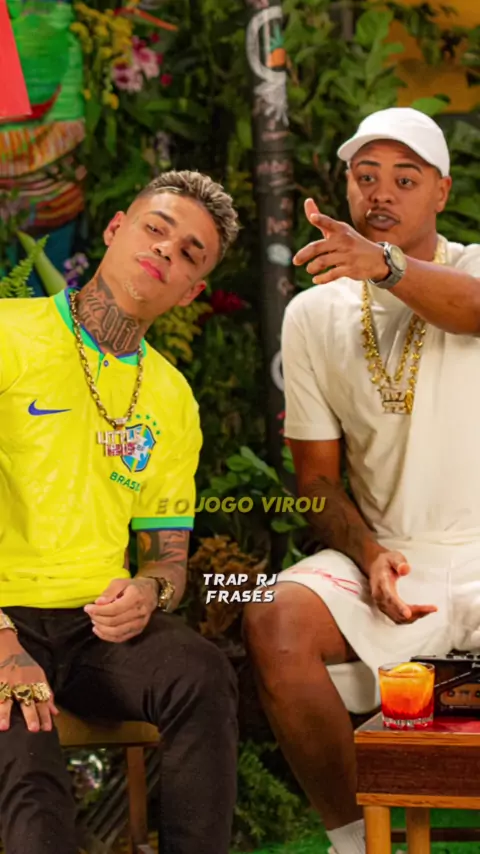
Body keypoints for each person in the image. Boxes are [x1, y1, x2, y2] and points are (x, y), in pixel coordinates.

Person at [243, 107, 480, 854]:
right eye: (365, 176)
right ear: (345, 187)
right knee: (274, 615)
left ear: (441, 191)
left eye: (405, 179)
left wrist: (386, 266)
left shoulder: (472, 267)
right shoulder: (313, 314)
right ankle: (357, 843)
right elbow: (315, 482)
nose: (381, 193)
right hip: (398, 561)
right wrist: (369, 553)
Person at [0, 169, 240, 854]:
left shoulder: (171, 398)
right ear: (115, 229)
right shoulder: (9, 334)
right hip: (3, 617)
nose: (166, 249)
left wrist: (150, 592)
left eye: (190, 253)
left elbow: (167, 559)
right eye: (155, 228)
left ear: (190, 291)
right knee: (34, 791)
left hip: (91, 631)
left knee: (201, 675)